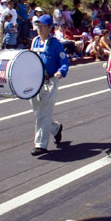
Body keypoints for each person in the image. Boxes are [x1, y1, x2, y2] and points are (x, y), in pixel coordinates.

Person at [30, 15, 70, 156]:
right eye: (38, 26)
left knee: (44, 112)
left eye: (42, 26)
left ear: (49, 28)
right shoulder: (35, 41)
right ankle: (55, 128)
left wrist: (61, 72)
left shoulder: (55, 44)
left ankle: (40, 144)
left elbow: (64, 62)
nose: (39, 29)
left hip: (50, 80)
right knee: (38, 111)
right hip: (36, 81)